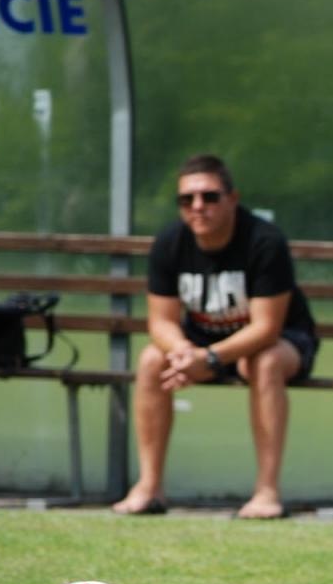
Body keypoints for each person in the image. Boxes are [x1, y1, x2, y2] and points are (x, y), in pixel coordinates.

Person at [112, 154, 319, 520]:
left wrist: (206, 359)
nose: (197, 207)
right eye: (186, 199)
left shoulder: (264, 241)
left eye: (209, 197)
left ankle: (267, 491)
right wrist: (183, 353)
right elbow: (160, 322)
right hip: (203, 343)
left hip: (282, 341)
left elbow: (266, 328)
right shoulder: (169, 243)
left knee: (263, 361)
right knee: (150, 359)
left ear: (232, 199)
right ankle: (149, 486)